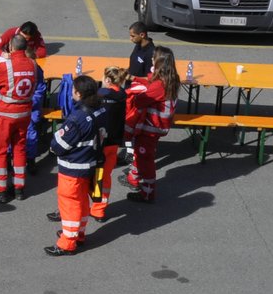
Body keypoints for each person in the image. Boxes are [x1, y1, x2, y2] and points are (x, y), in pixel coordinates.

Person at [44, 74, 101, 256]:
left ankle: (67, 242)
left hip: (73, 167)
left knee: (69, 204)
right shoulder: (100, 110)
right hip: (89, 164)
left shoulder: (77, 118)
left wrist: (54, 142)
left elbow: (59, 145)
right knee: (82, 201)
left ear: (78, 93)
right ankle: (79, 234)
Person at [0, 33, 43, 203]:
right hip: (25, 113)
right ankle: (19, 188)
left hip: (6, 115)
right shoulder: (33, 64)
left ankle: (1, 190)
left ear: (11, 47)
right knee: (20, 149)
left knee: (1, 150)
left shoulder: (6, 66)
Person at [125, 46, 181, 204]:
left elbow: (141, 99)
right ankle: (134, 178)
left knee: (145, 157)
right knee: (141, 153)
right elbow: (149, 82)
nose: (151, 59)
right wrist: (134, 79)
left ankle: (147, 192)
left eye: (153, 58)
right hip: (157, 127)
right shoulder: (169, 79)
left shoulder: (159, 85)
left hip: (150, 128)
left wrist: (134, 90)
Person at [91, 67, 128, 221]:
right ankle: (100, 209)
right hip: (114, 143)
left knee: (90, 176)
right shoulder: (122, 95)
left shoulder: (100, 94)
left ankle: (83, 206)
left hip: (99, 144)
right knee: (105, 176)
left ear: (107, 80)